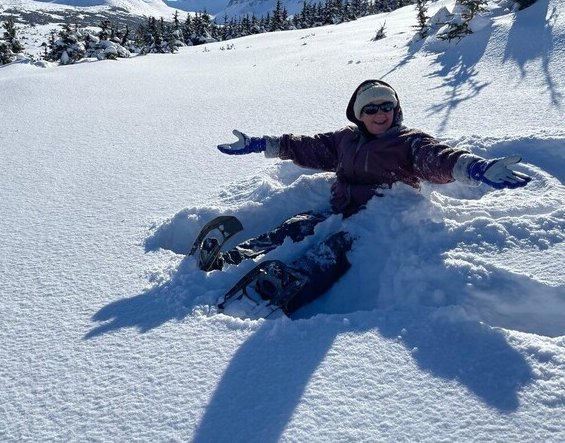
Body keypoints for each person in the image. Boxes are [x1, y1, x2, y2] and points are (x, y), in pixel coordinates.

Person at [210, 79, 531, 313]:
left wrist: (474, 168)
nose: (381, 114)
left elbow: (438, 159)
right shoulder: (345, 139)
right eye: (372, 108)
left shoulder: (409, 142)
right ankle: (239, 255)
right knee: (298, 224)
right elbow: (306, 146)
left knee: (333, 249)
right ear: (358, 114)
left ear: (396, 109)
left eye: (387, 106)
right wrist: (260, 144)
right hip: (343, 209)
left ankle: (287, 285)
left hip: (383, 217)